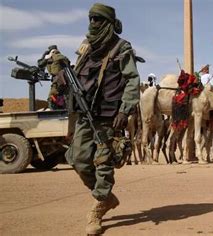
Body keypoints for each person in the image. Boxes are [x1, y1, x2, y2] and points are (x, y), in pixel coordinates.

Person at [59, 3, 140, 235]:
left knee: (103, 163)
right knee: (77, 159)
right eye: (91, 19)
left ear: (108, 23)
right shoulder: (86, 48)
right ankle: (106, 197)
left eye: (98, 20)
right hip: (85, 114)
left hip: (109, 116)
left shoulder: (121, 48)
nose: (93, 23)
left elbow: (133, 80)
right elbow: (75, 77)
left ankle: (97, 207)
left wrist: (125, 110)